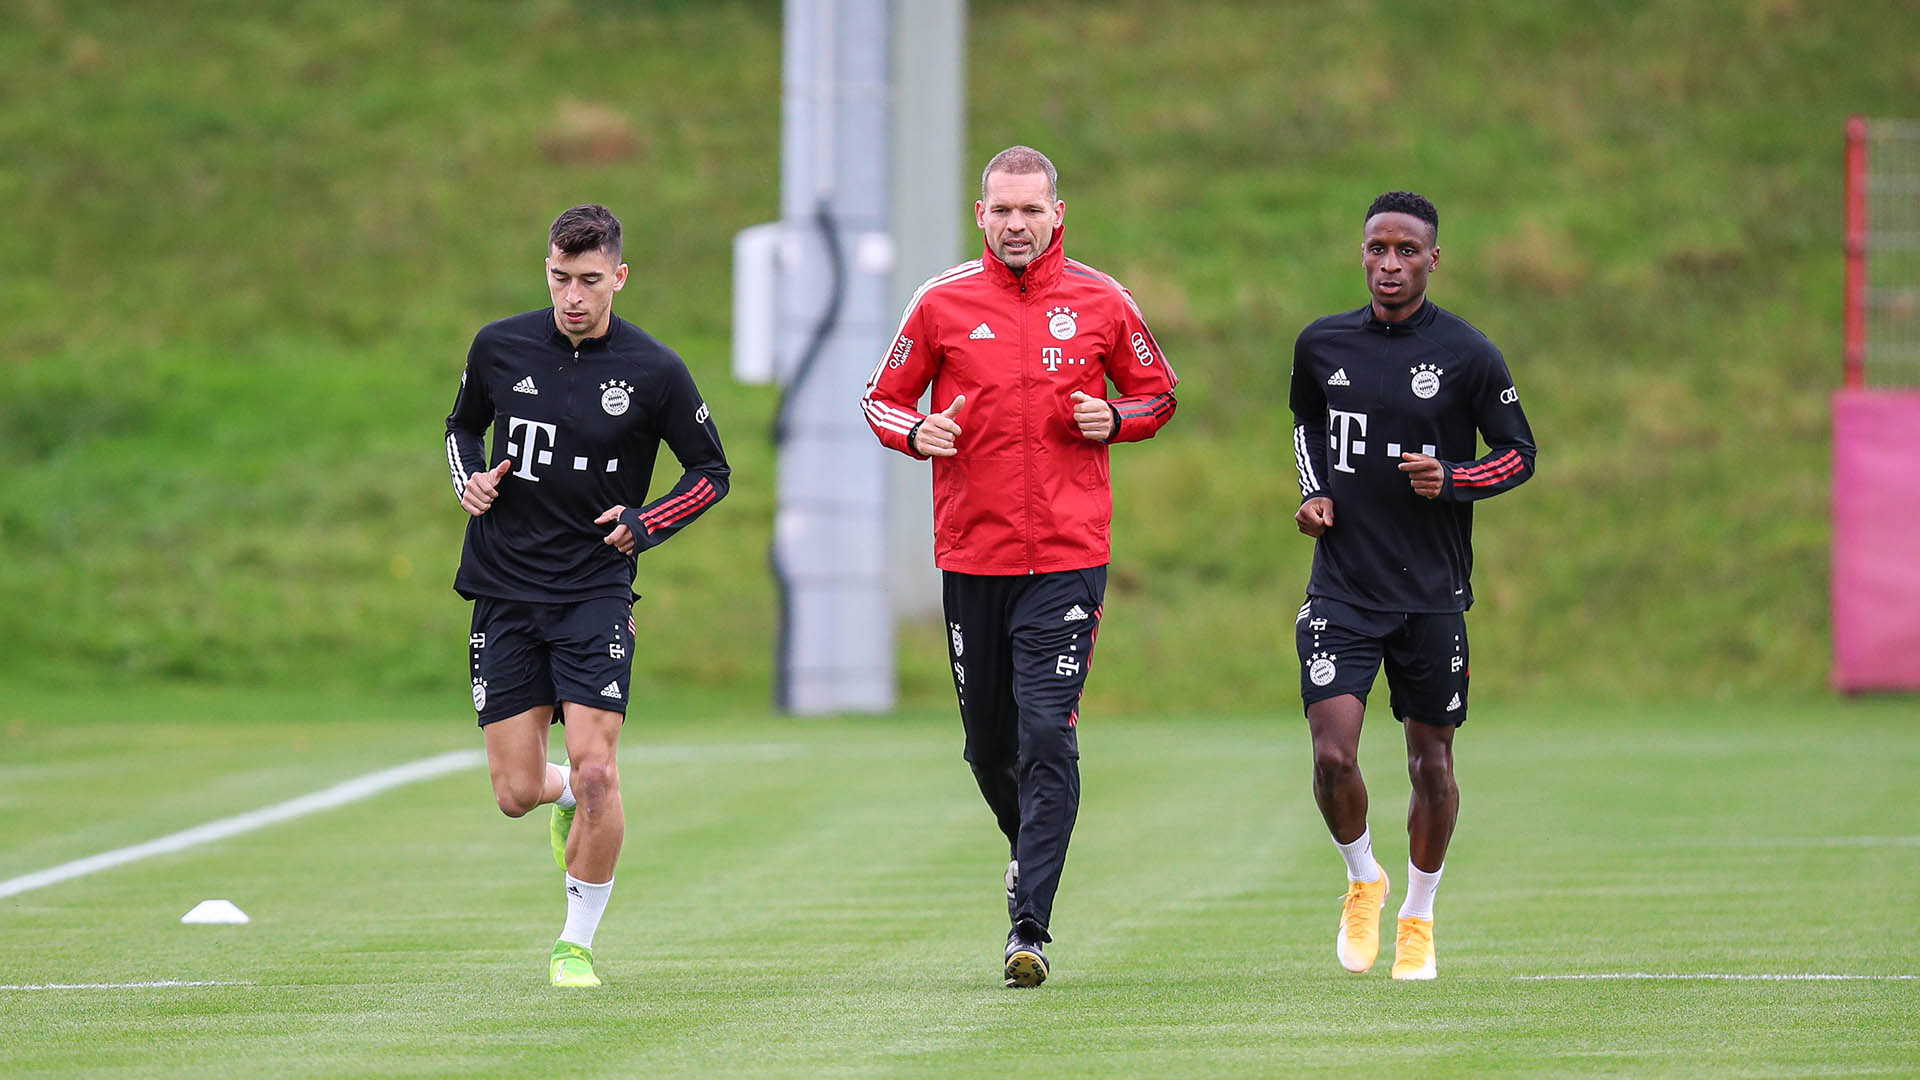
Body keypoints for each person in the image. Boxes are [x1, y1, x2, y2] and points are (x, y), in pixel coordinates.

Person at [861, 146, 1179, 987]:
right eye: (1001, 210)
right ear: (981, 215)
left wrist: (1114, 416)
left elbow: (1158, 392)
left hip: (1070, 559)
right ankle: (1026, 844)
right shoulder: (941, 302)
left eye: (1030, 210)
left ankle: (1028, 926)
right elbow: (881, 397)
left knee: (1047, 735)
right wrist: (913, 432)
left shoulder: (1102, 301)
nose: (1015, 224)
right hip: (974, 556)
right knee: (986, 746)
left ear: (1057, 215)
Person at [444, 204, 729, 987]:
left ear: (619, 278)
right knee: (513, 794)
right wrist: (468, 478)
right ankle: (563, 795)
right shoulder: (498, 346)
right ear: (547, 271)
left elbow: (712, 472)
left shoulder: (656, 370)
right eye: (561, 278)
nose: (574, 296)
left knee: (601, 768)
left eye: (591, 281)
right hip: (504, 590)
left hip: (595, 593)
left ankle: (574, 944)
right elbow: (461, 428)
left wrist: (648, 522)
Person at [1288, 190, 1535, 980]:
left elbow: (1519, 452)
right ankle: (1363, 877)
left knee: (1432, 767)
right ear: (1361, 253)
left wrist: (1454, 478)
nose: (1389, 265)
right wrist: (1313, 491)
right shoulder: (1321, 344)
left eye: (1406, 252)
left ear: (1433, 258)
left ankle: (1419, 916)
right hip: (1343, 588)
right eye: (1377, 250)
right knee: (1332, 754)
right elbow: (1305, 426)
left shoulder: (1468, 353)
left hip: (1431, 593)